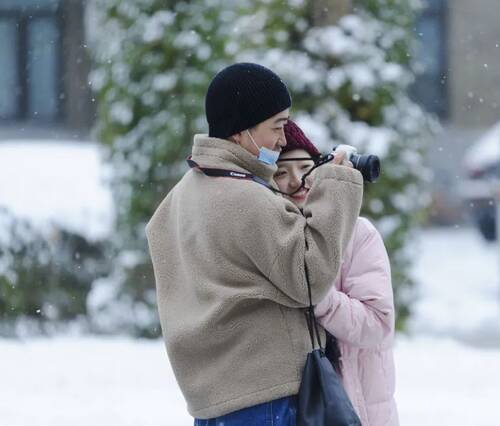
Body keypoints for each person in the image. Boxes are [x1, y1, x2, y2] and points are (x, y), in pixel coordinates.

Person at [145, 63, 364, 424]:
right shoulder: (246, 197)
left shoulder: (180, 197)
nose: (283, 139)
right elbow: (310, 280)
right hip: (264, 396)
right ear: (240, 130)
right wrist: (337, 186)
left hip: (212, 397)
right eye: (277, 127)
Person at [274, 120, 399, 426]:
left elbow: (377, 324)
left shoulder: (358, 233)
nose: (297, 181)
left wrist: (318, 293)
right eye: (281, 173)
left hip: (358, 408)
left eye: (305, 167)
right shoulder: (271, 236)